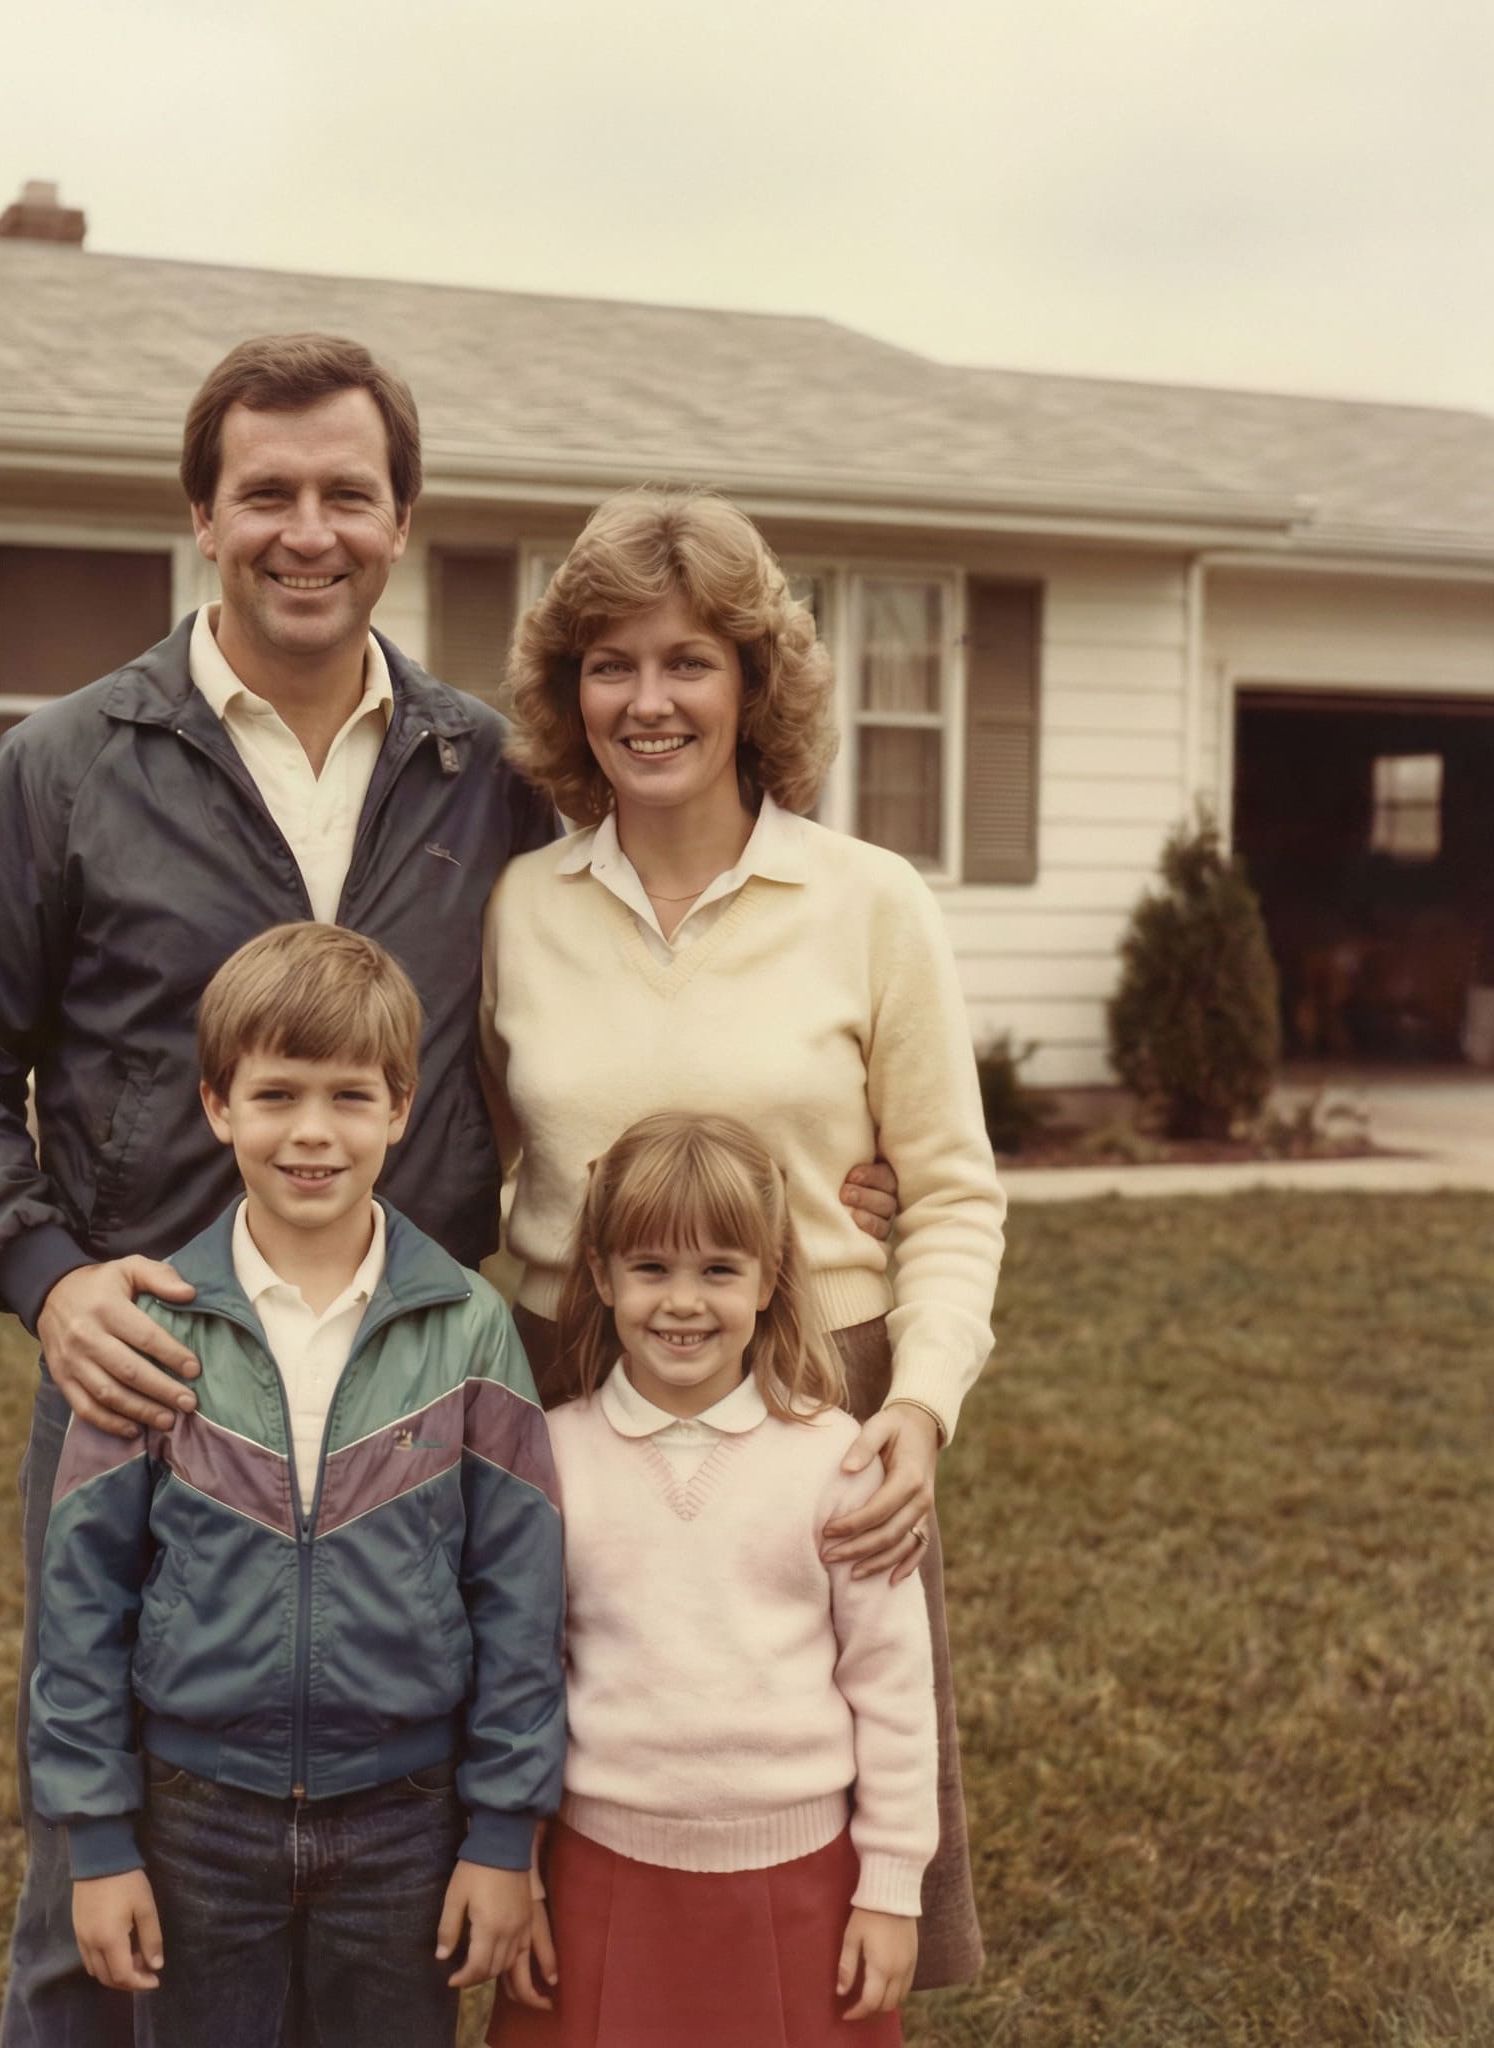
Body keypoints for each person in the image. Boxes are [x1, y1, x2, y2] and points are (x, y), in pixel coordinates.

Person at [0, 336, 897, 2043]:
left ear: (400, 519)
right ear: (200, 512)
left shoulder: (484, 772)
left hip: (427, 1386)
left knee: (396, 1878)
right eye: (264, 489)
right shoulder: (68, 767)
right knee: (95, 1895)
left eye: (346, 490)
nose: (306, 527)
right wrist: (50, 1276)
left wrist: (811, 1156)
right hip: (155, 1375)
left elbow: (627, 966)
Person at [479, 486, 1004, 1986]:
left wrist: (917, 1404)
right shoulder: (519, 908)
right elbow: (460, 1169)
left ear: (755, 682)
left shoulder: (869, 903)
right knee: (581, 1770)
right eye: (611, 664)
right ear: (568, 692)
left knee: (824, 1779)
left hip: (820, 1382)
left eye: (691, 661)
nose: (649, 702)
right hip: (565, 1382)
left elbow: (954, 1192)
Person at [27, 922, 564, 2048]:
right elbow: (80, 1600)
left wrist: (503, 1830)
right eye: (275, 1094)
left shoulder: (465, 1324)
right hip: (195, 1818)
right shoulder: (155, 1328)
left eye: (348, 1096)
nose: (311, 1132)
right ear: (218, 1103)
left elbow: (520, 1594)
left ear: (401, 1107)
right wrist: (98, 1839)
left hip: (408, 1821)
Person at [490, 1112, 935, 2048]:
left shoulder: (837, 1461)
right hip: (597, 1872)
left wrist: (891, 1889)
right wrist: (518, 1869)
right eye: (651, 1268)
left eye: (719, 1271)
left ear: (771, 1278)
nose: (682, 1302)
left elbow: (892, 1689)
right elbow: (515, 1677)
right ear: (603, 1275)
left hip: (802, 1878)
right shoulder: (552, 1458)